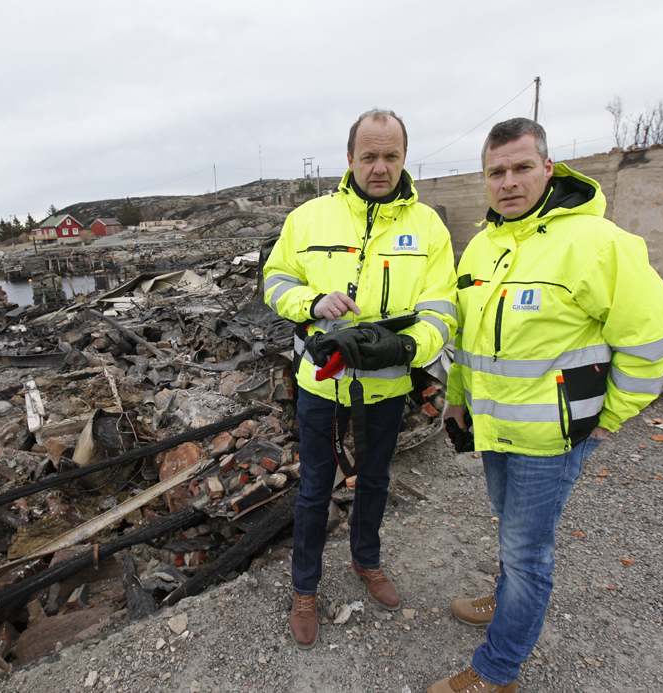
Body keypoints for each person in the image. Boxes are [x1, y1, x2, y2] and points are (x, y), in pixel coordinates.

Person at [431, 118, 663, 693]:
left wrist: (608, 417)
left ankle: (498, 671)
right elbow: (469, 343)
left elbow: (653, 342)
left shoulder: (598, 245)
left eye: (522, 167)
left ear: (549, 168)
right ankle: (505, 600)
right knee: (511, 536)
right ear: (485, 179)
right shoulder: (486, 246)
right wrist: (457, 402)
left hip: (553, 442)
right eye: (497, 172)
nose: (509, 182)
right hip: (494, 433)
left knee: (527, 554)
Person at [263, 108, 458, 650]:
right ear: (349, 159)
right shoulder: (308, 219)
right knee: (315, 488)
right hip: (322, 385)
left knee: (374, 480)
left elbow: (444, 307)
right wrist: (311, 302)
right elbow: (275, 281)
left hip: (389, 386)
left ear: (403, 158)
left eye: (390, 156)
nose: (380, 167)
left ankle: (366, 561)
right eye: (369, 156)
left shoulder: (428, 227)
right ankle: (305, 589)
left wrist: (411, 345)